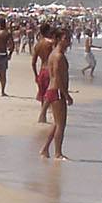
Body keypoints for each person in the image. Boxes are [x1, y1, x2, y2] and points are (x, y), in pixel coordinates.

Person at [39, 28, 72, 160]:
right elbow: (57, 77)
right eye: (65, 39)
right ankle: (58, 153)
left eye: (69, 38)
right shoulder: (58, 55)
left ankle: (45, 149)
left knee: (56, 123)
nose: (68, 41)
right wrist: (66, 94)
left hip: (54, 90)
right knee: (61, 124)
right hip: (57, 91)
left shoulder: (54, 53)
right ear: (58, 39)